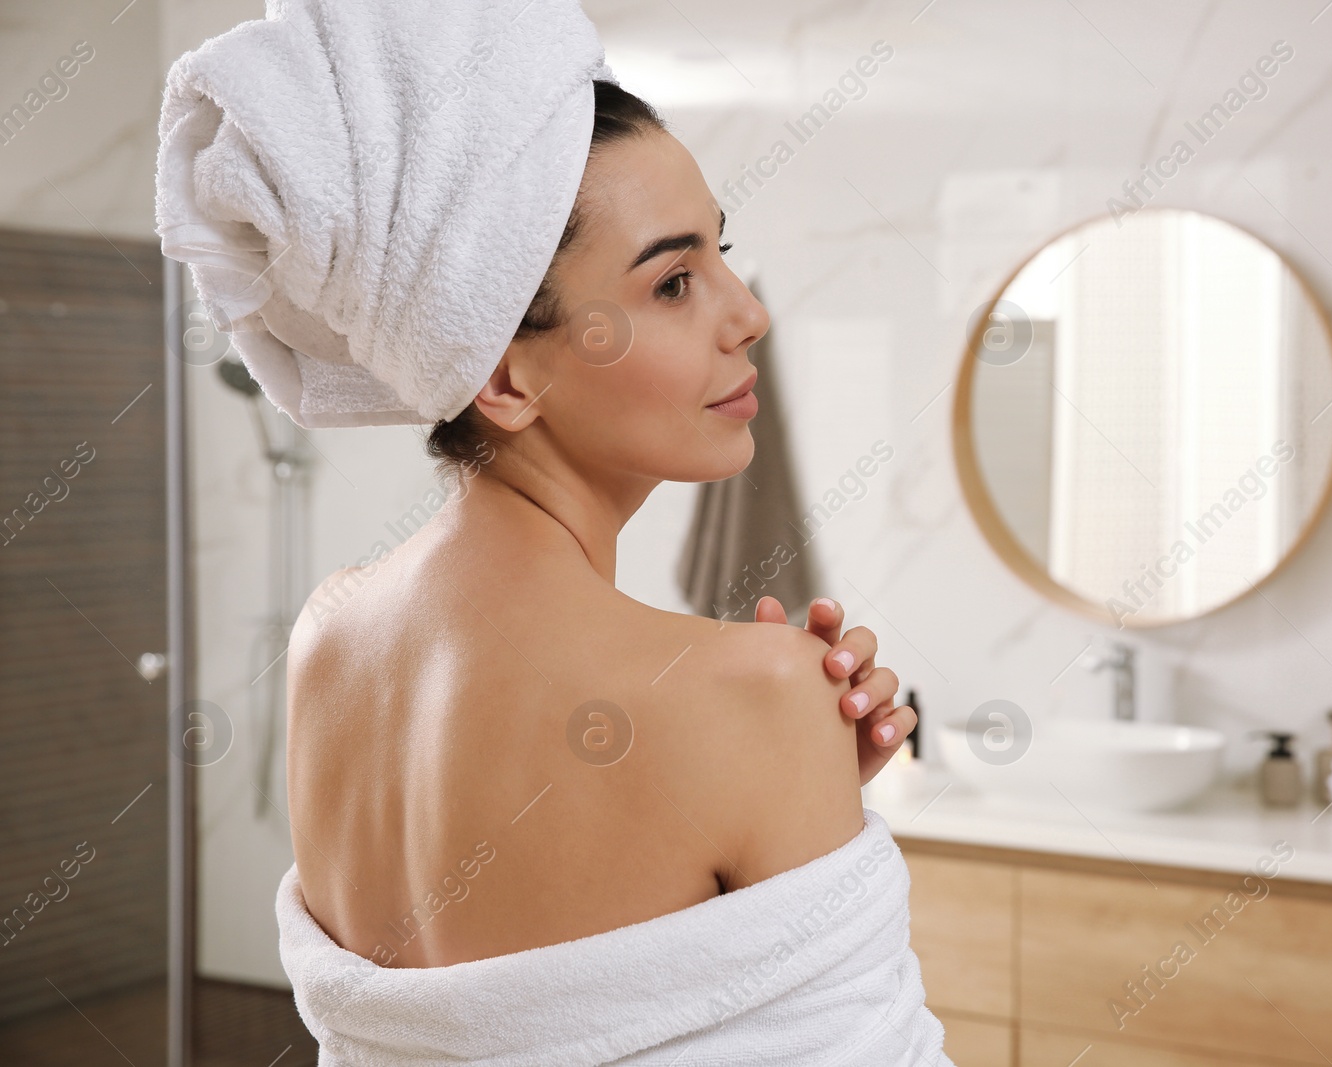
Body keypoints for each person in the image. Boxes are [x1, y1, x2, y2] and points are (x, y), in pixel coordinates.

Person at [284, 80, 921, 971]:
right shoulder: (759, 693)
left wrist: (783, 787)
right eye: (673, 282)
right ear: (503, 380)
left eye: (722, 250)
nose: (749, 314)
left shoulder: (326, 637)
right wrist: (777, 755)